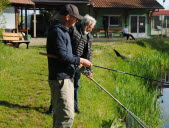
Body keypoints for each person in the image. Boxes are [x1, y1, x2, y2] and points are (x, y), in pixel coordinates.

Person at [46, 4, 92, 128]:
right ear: (67, 17)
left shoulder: (65, 31)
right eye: (75, 18)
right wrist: (80, 60)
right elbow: (62, 55)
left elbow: (68, 54)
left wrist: (79, 64)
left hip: (67, 76)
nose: (77, 21)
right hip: (61, 79)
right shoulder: (57, 31)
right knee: (66, 116)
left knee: (61, 115)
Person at [69, 14, 96, 113]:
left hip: (79, 65)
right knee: (62, 87)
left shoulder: (89, 37)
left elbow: (88, 54)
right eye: (90, 27)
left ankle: (74, 107)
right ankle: (53, 108)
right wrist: (77, 60)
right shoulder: (73, 31)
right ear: (85, 25)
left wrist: (89, 70)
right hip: (68, 62)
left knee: (76, 86)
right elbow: (67, 48)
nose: (91, 29)